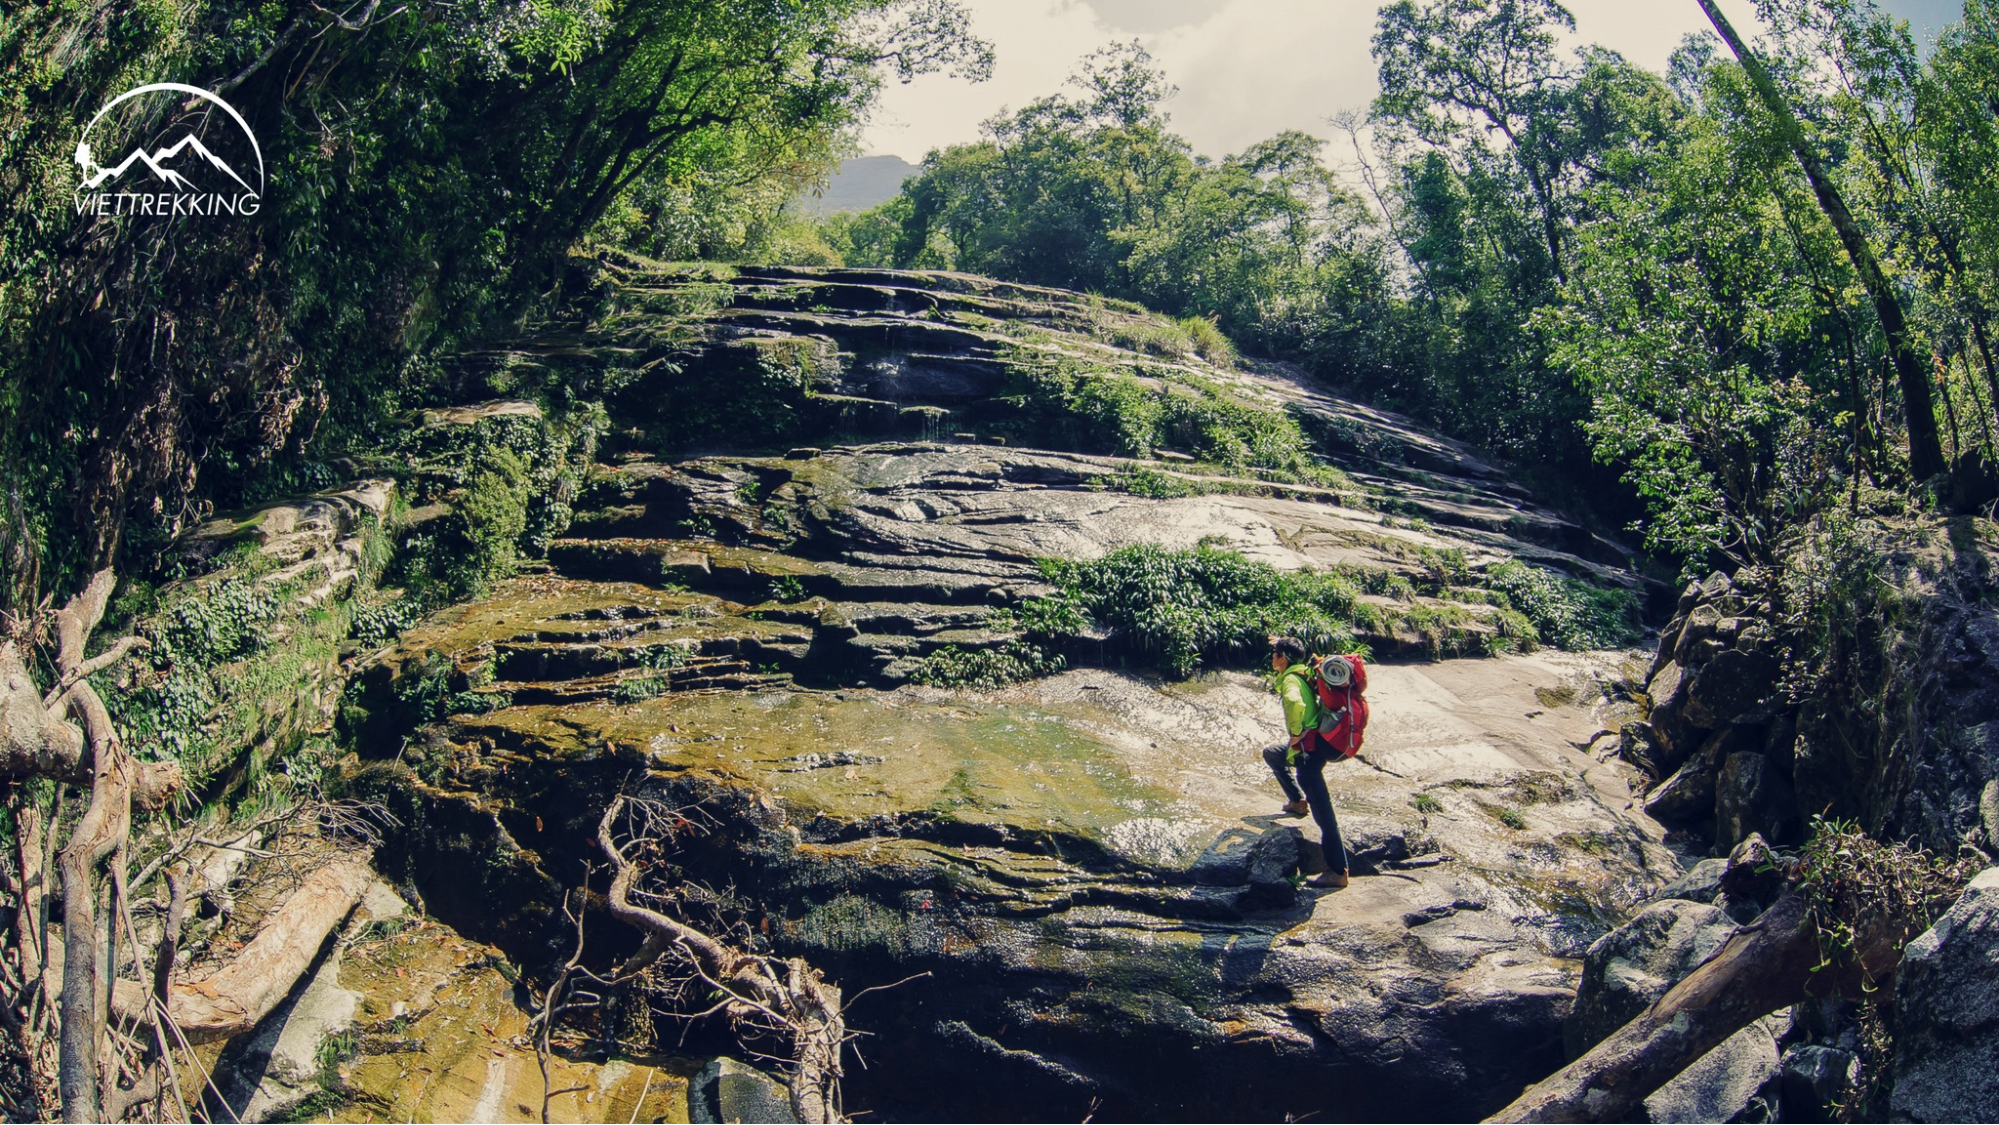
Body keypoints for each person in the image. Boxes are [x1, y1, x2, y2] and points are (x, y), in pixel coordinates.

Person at [1261, 635, 1349, 889]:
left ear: (1283, 659)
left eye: (1276, 653)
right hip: (1314, 743)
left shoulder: (1290, 678)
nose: (1272, 657)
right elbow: (1303, 653)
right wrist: (1280, 641)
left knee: (1325, 818)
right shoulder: (1304, 669)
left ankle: (1338, 872)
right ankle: (1297, 802)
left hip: (1307, 752)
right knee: (1272, 753)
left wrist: (1296, 732)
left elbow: (1294, 702)